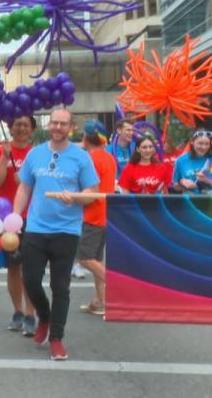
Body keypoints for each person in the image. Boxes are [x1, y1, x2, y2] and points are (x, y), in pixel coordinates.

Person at [13, 109, 100, 361]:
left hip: (67, 230)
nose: (58, 127)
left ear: (71, 127)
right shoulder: (35, 153)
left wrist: (76, 197)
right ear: (48, 124)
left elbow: (92, 192)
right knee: (30, 280)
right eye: (54, 122)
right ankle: (45, 316)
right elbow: (24, 187)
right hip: (36, 228)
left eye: (63, 123)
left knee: (60, 287)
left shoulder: (81, 157)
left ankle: (57, 338)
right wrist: (17, 217)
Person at [0, 116, 37, 335]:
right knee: (13, 268)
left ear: (32, 130)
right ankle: (17, 311)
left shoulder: (37, 153)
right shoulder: (0, 151)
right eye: (17, 124)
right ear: (10, 128)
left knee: (31, 270)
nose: (21, 128)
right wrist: (4, 159)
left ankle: (30, 314)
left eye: (26, 125)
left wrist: (27, 181)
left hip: (33, 217)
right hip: (6, 218)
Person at [78, 120, 117, 317]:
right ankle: (99, 301)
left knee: (85, 257)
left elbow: (91, 191)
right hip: (105, 213)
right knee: (95, 259)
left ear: (86, 137)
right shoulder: (109, 157)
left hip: (93, 214)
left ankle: (117, 288)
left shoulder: (90, 159)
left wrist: (72, 198)